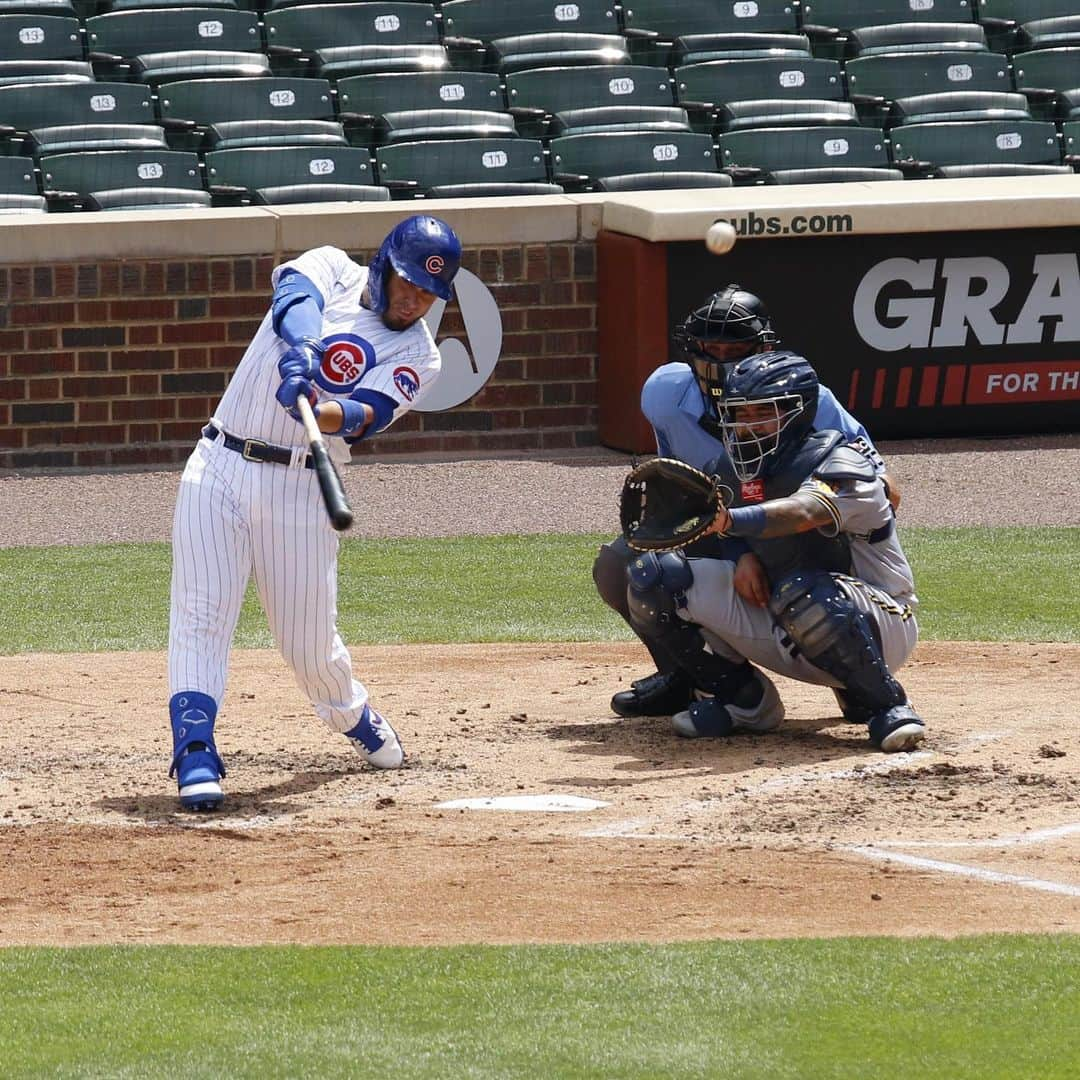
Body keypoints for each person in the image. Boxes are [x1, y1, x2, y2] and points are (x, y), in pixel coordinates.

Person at [167, 214, 463, 810]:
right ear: (382, 265)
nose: (414, 300)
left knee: (307, 644)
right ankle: (195, 750)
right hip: (219, 460)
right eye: (407, 282)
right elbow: (293, 298)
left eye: (429, 293)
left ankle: (351, 712)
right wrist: (303, 347)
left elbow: (366, 415)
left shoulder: (420, 356)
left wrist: (324, 407)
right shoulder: (331, 266)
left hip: (301, 484)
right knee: (201, 614)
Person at [594, 284, 897, 719]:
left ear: (763, 348)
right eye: (709, 349)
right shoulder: (664, 394)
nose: (720, 363)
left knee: (809, 578)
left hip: (805, 538)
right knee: (623, 564)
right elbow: (683, 486)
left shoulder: (811, 400)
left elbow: (885, 487)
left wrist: (779, 537)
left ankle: (854, 673)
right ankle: (698, 683)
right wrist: (735, 549)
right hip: (725, 527)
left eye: (734, 350)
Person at [626, 349, 925, 753]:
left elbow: (805, 511)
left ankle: (884, 703)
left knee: (803, 593)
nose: (745, 427)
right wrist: (737, 553)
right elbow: (719, 527)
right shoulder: (733, 468)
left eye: (759, 414)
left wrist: (731, 522)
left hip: (880, 624)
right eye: (738, 414)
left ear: (797, 413)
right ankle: (745, 702)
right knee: (655, 577)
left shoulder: (842, 462)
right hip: (785, 615)